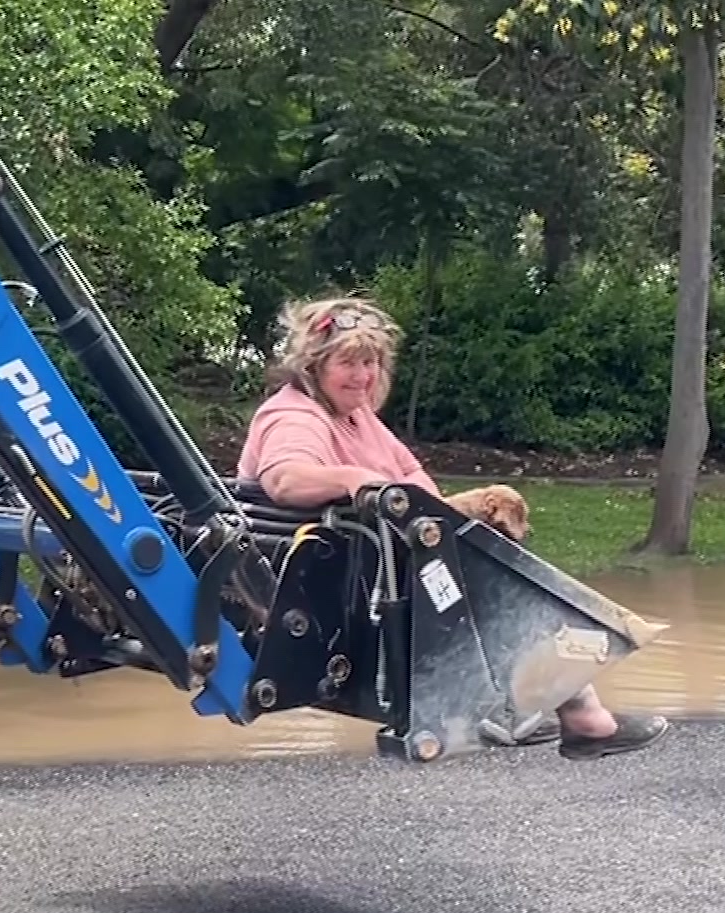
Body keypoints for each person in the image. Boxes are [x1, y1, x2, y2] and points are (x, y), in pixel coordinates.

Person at [235, 294, 669, 761]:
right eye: (349, 363)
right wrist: (357, 479)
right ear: (313, 364)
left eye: (372, 363)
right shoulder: (294, 414)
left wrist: (480, 506)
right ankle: (582, 715)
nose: (363, 376)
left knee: (491, 559)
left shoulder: (358, 419)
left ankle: (520, 706)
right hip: (339, 593)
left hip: (371, 576)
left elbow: (419, 489)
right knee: (501, 585)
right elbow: (285, 479)